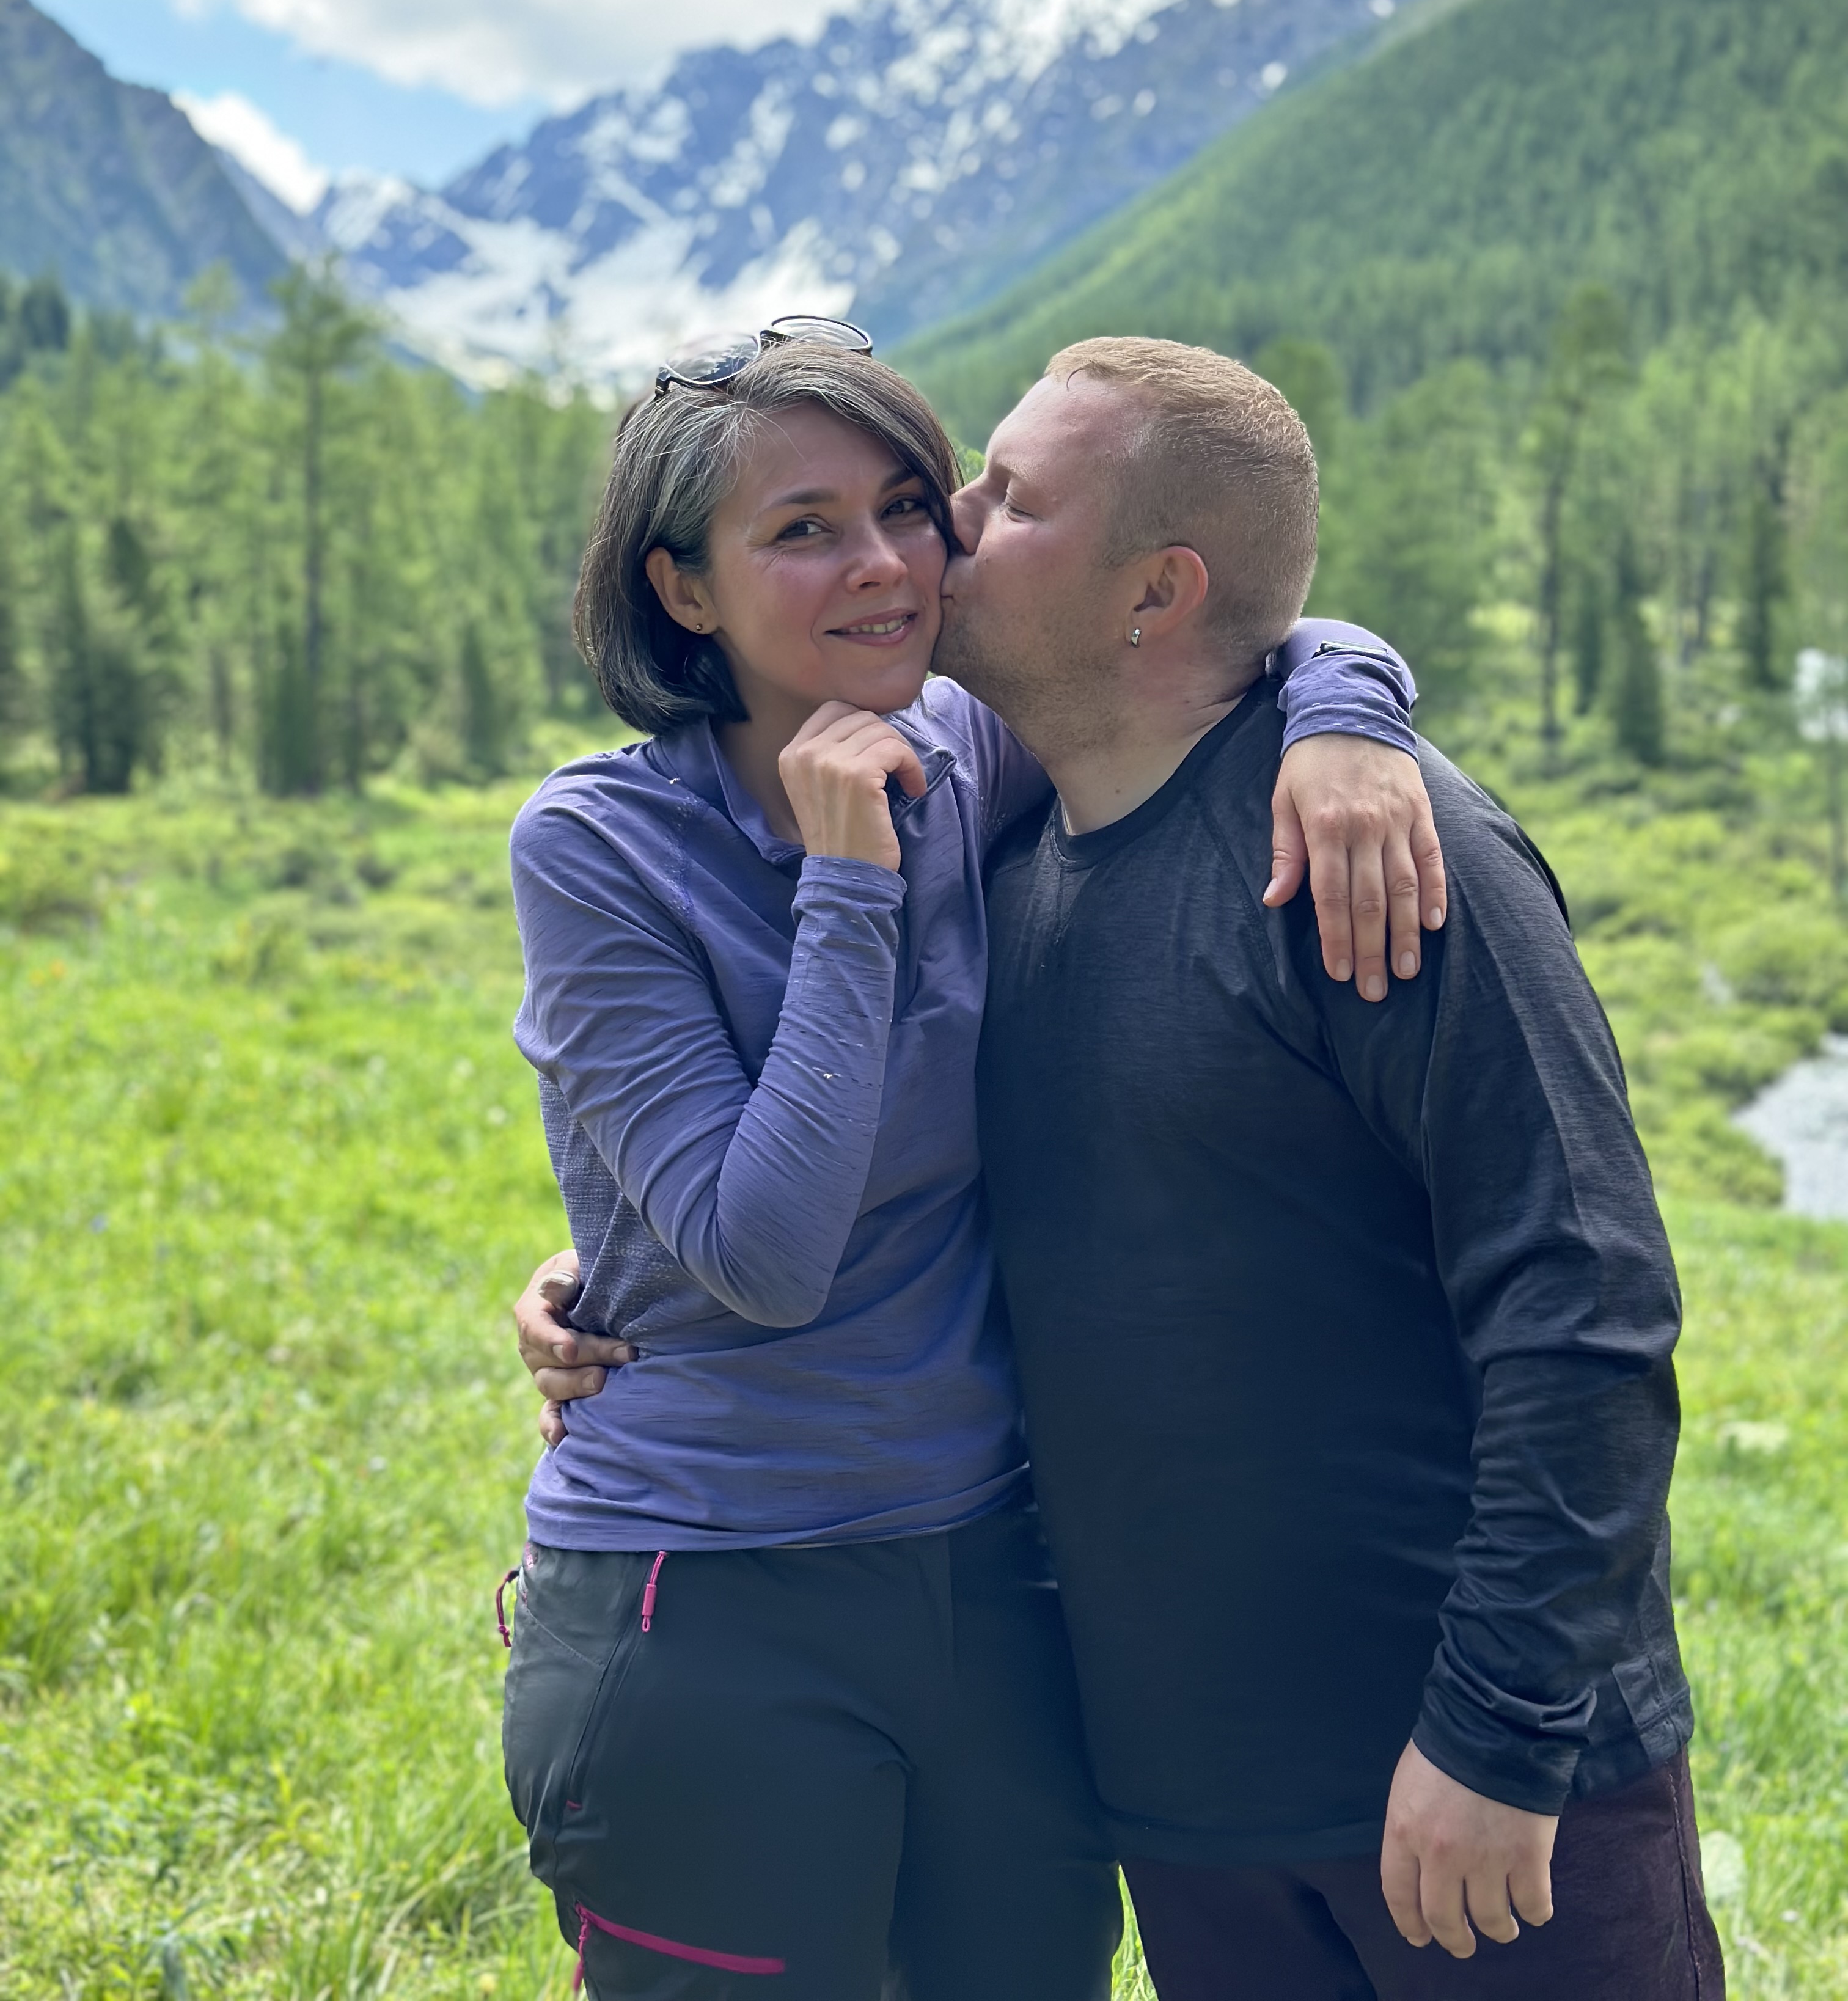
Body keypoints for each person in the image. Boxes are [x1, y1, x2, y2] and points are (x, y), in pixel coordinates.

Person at [525, 332, 1725, 2001]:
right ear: (682, 587)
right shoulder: (841, 838)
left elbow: (1583, 1308)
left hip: (1348, 1735)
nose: (927, 540)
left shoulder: (1296, 838)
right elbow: (801, 1219)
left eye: (973, 501)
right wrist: (612, 1266)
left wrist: (1350, 708)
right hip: (1047, 1739)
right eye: (814, 525)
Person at [941, 338, 1723, 1999]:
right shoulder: (997, 868)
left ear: (1158, 592)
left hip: (1483, 1800)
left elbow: (1584, 1304)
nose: (952, 516)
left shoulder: (1384, 857)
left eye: (1012, 497)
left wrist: (1499, 1733)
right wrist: (615, 1293)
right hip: (1189, 1814)